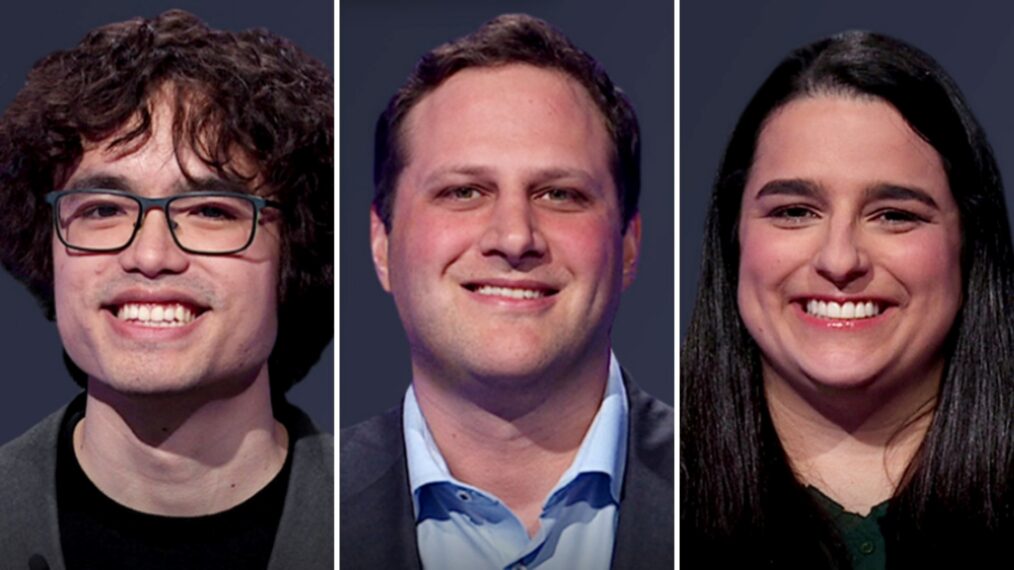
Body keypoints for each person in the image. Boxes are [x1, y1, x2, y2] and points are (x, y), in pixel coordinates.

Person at [0, 10, 333, 569]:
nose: (150, 256)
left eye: (209, 210)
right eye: (104, 209)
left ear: (294, 252)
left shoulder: (387, 534)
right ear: (48, 246)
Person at [340, 13, 673, 570]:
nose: (515, 237)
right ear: (381, 243)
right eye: (464, 191)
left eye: (559, 195)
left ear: (630, 245)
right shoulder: (305, 518)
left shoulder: (737, 503)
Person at [681, 31, 1014, 567]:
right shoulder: (642, 506)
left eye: (895, 215)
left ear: (970, 243)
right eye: (794, 211)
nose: (840, 260)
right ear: (734, 235)